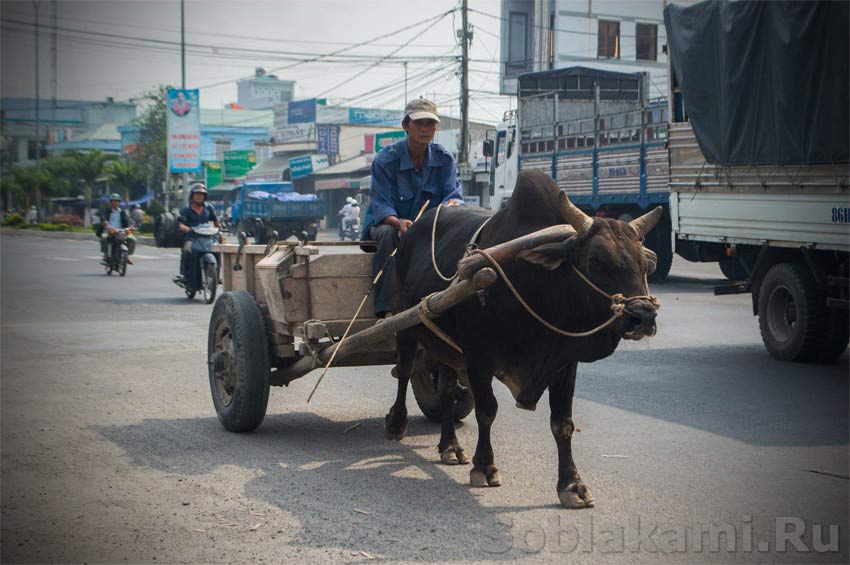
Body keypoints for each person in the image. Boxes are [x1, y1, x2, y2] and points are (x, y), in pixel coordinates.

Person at [361, 98, 463, 318]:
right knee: (388, 235)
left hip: (427, 228)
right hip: (388, 225)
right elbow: (380, 202)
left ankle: (448, 303)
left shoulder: (444, 160)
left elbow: (453, 196)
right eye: (419, 123)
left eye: (430, 123)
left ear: (436, 127)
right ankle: (386, 309)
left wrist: (449, 208)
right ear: (405, 126)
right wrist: (398, 222)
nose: (425, 129)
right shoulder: (386, 160)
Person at [175, 183, 223, 283]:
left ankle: (217, 276)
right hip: (192, 236)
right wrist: (185, 228)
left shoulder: (209, 208)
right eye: (197, 194)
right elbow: (180, 224)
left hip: (208, 236)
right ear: (192, 195)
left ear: (205, 196)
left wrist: (220, 231)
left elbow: (216, 222)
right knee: (187, 251)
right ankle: (184, 275)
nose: (199, 196)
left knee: (217, 251)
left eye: (202, 194)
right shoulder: (186, 210)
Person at [100, 194, 135, 265]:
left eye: (117, 201)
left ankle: (126, 256)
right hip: (109, 230)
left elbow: (127, 220)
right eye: (113, 201)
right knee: (104, 238)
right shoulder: (107, 211)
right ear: (110, 202)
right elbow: (103, 218)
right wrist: (106, 223)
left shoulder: (122, 212)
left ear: (119, 203)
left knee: (132, 239)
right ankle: (105, 255)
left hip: (121, 230)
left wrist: (131, 226)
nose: (115, 203)